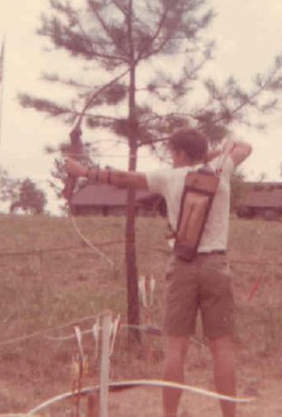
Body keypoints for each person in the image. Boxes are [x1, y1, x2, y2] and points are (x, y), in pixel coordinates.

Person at [65, 127, 252, 417]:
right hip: (216, 266)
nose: (171, 158)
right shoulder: (221, 169)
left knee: (175, 349)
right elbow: (243, 146)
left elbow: (125, 179)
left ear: (180, 153)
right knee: (222, 348)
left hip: (183, 266)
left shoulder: (169, 177)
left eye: (173, 153)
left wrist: (84, 171)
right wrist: (210, 156)